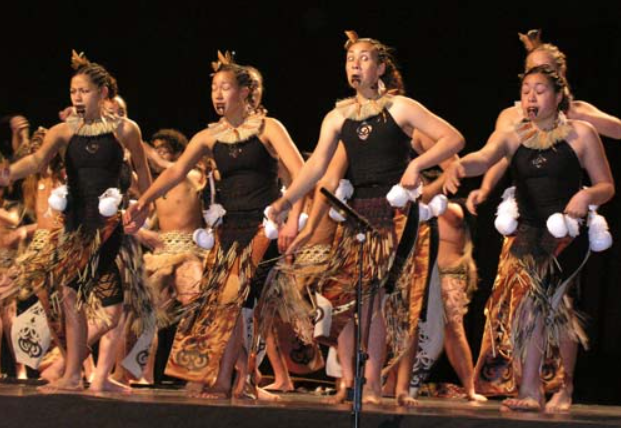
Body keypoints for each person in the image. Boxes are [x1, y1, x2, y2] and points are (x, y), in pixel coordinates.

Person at [269, 31, 464, 406]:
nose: (355, 66)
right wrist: (288, 203)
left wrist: (419, 167)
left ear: (380, 68)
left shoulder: (401, 107)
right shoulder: (338, 116)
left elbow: (452, 138)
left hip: (391, 215)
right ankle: (351, 377)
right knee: (338, 298)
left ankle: (371, 384)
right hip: (355, 215)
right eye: (349, 60)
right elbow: (316, 170)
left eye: (363, 59)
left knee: (372, 302)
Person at [124, 52, 304, 399]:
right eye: (214, 88)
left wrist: (291, 218)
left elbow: (300, 172)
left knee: (236, 299)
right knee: (228, 304)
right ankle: (234, 380)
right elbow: (175, 171)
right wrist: (145, 200)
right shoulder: (209, 137)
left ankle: (236, 380)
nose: (218, 95)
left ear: (246, 91)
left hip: (261, 225)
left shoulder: (269, 128)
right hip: (228, 228)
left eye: (225, 87)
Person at [466, 30, 621, 413]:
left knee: (548, 304)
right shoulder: (515, 130)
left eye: (541, 86)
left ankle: (549, 387)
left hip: (567, 233)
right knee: (524, 309)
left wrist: (585, 195)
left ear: (559, 90)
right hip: (528, 233)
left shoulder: (581, 128)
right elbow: (487, 158)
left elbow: (605, 185)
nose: (530, 96)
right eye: (526, 87)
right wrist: (454, 169)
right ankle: (531, 386)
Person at [0, 50, 152, 392]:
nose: (77, 97)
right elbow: (37, 160)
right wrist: (7, 174)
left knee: (70, 291)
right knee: (109, 306)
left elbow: (142, 169)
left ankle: (71, 375)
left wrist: (144, 203)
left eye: (83, 91)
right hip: (75, 224)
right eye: (72, 92)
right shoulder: (63, 131)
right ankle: (98, 379)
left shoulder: (124, 129)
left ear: (102, 93)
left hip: (107, 224)